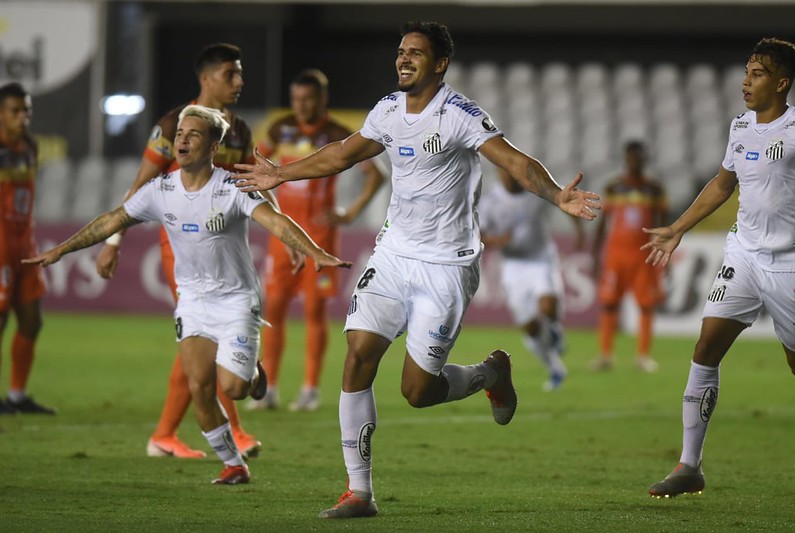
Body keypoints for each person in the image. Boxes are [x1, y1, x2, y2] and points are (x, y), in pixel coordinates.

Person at [235, 21, 600, 518]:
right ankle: (359, 493)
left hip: (446, 266)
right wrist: (281, 172)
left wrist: (557, 194)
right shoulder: (387, 109)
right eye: (401, 51)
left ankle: (491, 372)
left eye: (416, 53)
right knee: (358, 354)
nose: (403, 59)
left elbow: (514, 162)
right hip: (392, 256)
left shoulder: (459, 115)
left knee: (417, 392)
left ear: (440, 64)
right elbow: (343, 154)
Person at [25, 105, 351, 484]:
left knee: (234, 388)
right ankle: (233, 465)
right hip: (193, 301)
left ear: (214, 146)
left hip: (236, 301)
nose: (182, 139)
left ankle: (255, 374)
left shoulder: (229, 187)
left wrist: (315, 253)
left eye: (193, 134)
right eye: (180, 133)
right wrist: (61, 249)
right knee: (199, 388)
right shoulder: (161, 190)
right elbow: (112, 219)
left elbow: (275, 220)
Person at [644, 38, 795, 498]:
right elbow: (722, 183)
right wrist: (678, 228)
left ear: (782, 82)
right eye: (746, 71)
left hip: (790, 261)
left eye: (757, 73)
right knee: (707, 344)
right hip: (744, 255)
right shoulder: (740, 126)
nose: (746, 81)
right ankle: (689, 465)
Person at [95, 43, 261, 458]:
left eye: (240, 74)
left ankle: (168, 435)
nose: (239, 82)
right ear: (206, 79)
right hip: (181, 248)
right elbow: (140, 183)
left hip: (224, 247)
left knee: (200, 340)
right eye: (230, 74)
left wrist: (286, 234)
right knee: (200, 335)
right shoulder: (174, 124)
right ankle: (222, 431)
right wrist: (114, 241)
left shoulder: (237, 130)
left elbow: (252, 185)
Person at [247, 69, 386, 412]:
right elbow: (255, 162)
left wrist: (349, 213)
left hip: (321, 234)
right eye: (296, 99)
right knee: (274, 308)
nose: (302, 105)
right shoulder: (280, 129)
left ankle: (309, 389)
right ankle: (270, 387)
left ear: (323, 100)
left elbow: (375, 175)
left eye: (309, 99)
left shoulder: (337, 133)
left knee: (313, 310)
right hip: (284, 233)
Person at [479, 167, 585, 392]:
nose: (510, 176)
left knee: (547, 305)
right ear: (500, 175)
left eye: (513, 172)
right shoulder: (491, 202)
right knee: (530, 327)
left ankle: (555, 330)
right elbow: (479, 236)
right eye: (506, 172)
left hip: (541, 259)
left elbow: (563, 202)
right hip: (513, 267)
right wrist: (499, 241)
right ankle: (554, 366)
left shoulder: (534, 193)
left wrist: (580, 231)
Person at [0, 82, 54, 415]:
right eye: (15, 111)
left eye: (27, 110)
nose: (23, 117)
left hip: (24, 242)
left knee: (32, 320)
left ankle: (17, 396)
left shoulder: (29, 147)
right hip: (0, 242)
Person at [590, 141, 667, 373]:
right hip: (616, 255)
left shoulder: (654, 189)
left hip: (643, 256)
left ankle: (643, 356)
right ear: (626, 158)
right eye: (631, 157)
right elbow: (603, 222)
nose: (635, 161)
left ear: (645, 159)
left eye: (639, 157)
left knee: (646, 305)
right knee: (609, 303)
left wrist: (661, 253)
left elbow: (661, 224)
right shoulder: (614, 187)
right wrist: (595, 255)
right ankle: (605, 355)